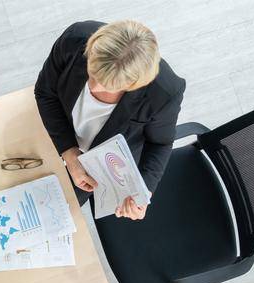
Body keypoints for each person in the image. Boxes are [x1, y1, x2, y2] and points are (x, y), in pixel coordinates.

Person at [35, 20, 184, 220]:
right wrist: (69, 153)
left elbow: (160, 143)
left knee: (50, 216)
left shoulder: (164, 92)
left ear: (134, 84)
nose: (94, 88)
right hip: (54, 127)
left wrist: (145, 191)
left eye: (107, 85)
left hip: (101, 167)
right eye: (92, 73)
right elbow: (45, 93)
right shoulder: (74, 38)